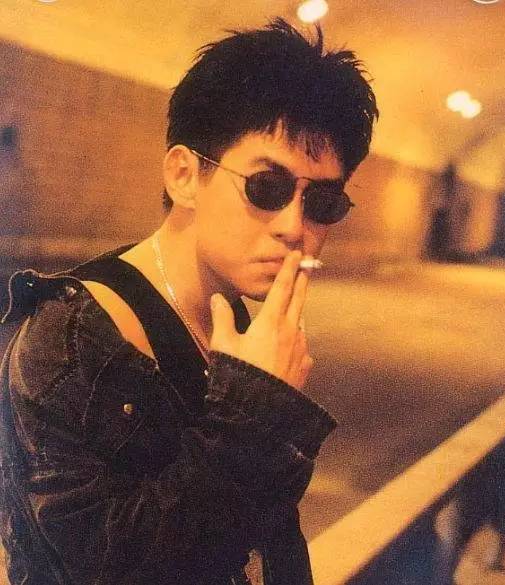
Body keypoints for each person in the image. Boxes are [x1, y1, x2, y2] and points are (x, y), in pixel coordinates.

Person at [0, 18, 377, 585]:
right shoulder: (70, 338)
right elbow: (111, 567)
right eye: (267, 187)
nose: (294, 227)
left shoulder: (228, 315)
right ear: (184, 175)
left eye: (323, 201)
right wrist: (256, 406)